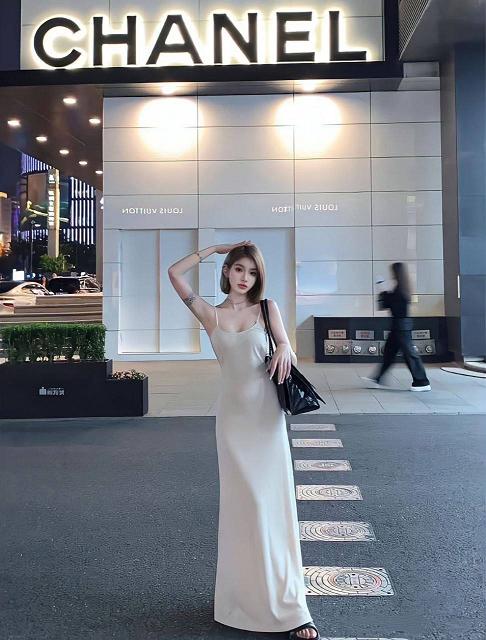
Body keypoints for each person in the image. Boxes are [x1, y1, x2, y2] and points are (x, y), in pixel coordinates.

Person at [167, 241, 320, 640]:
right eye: (238, 269)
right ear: (227, 271)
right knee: (243, 509)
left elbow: (285, 347)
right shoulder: (210, 314)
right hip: (233, 423)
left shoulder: (267, 309)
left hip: (265, 419)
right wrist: (212, 249)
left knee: (269, 506)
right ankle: (241, 598)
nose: (244, 278)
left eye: (252, 272)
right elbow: (174, 273)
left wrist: (284, 348)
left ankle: (291, 607)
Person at [362, 262, 431, 391]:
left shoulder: (400, 290)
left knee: (409, 354)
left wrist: (382, 289)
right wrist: (384, 292)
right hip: (399, 325)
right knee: (389, 353)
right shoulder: (403, 288)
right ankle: (377, 379)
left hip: (400, 327)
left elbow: (389, 304)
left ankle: (422, 382)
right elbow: (390, 303)